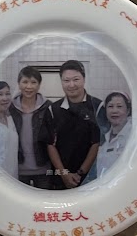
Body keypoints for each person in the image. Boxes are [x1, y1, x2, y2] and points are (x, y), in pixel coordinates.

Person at [42, 60, 102, 189]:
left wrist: (80, 173)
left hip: (91, 177)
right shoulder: (53, 109)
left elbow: (97, 142)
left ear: (84, 79)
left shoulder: (97, 106)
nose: (71, 85)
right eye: (66, 80)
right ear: (61, 81)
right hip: (60, 177)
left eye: (76, 79)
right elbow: (50, 144)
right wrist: (64, 174)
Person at [10, 66, 51, 188]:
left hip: (43, 168)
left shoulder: (48, 107)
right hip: (18, 168)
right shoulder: (10, 107)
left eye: (33, 82)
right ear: (19, 84)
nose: (29, 86)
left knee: (45, 199)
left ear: (39, 85)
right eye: (25, 82)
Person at [89, 92, 134, 181]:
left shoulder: (133, 135)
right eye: (110, 106)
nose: (114, 111)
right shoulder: (104, 138)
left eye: (119, 106)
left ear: (128, 110)